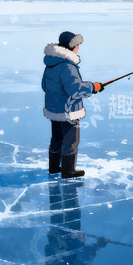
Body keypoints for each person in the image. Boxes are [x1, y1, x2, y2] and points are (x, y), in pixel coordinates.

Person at [41, 31, 104, 178]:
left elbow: (44, 85)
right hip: (68, 110)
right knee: (70, 140)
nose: (78, 48)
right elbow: (75, 89)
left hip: (53, 108)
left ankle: (54, 167)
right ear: (72, 47)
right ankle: (68, 171)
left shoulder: (51, 64)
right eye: (77, 45)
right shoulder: (68, 67)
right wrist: (93, 87)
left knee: (56, 138)